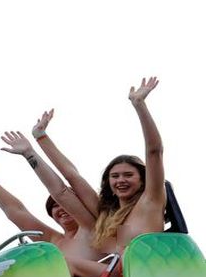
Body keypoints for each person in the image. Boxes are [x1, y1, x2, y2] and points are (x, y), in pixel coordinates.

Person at [31, 77, 165, 253]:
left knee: (70, 263)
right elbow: (71, 176)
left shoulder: (150, 200)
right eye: (115, 176)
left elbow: (154, 152)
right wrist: (41, 138)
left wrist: (139, 105)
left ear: (142, 179)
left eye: (128, 175)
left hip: (154, 275)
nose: (121, 180)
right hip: (126, 276)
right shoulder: (112, 217)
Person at [0, 144, 105, 277]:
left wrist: (29, 153)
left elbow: (61, 191)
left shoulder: (92, 226)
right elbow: (16, 212)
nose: (61, 208)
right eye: (54, 206)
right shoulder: (54, 241)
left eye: (64, 205)